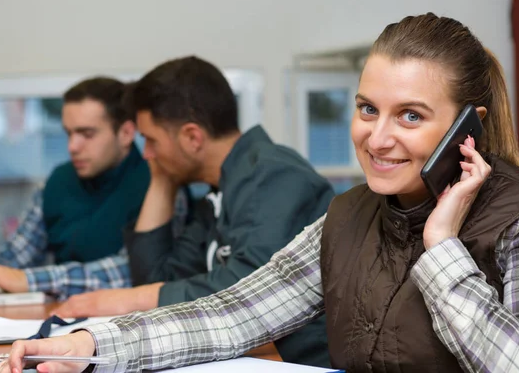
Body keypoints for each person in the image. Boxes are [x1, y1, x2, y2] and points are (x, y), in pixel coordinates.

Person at [0, 12, 519, 373]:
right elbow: (231, 315)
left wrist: (443, 246)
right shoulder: (349, 216)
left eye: (410, 115)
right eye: (366, 109)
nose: (377, 138)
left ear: (467, 129)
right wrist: (91, 344)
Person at [42, 56, 335, 367]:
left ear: (193, 137)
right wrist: (161, 180)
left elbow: (248, 290)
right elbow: (159, 277)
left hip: (300, 362)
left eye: (151, 141)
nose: (147, 154)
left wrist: (129, 298)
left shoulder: (273, 174)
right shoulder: (218, 188)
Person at [0, 77, 188, 299]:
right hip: (62, 320)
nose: (73, 146)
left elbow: (134, 272)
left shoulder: (159, 182)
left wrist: (30, 280)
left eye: (87, 134)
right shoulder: (58, 181)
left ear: (126, 133)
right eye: (69, 133)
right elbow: (13, 262)